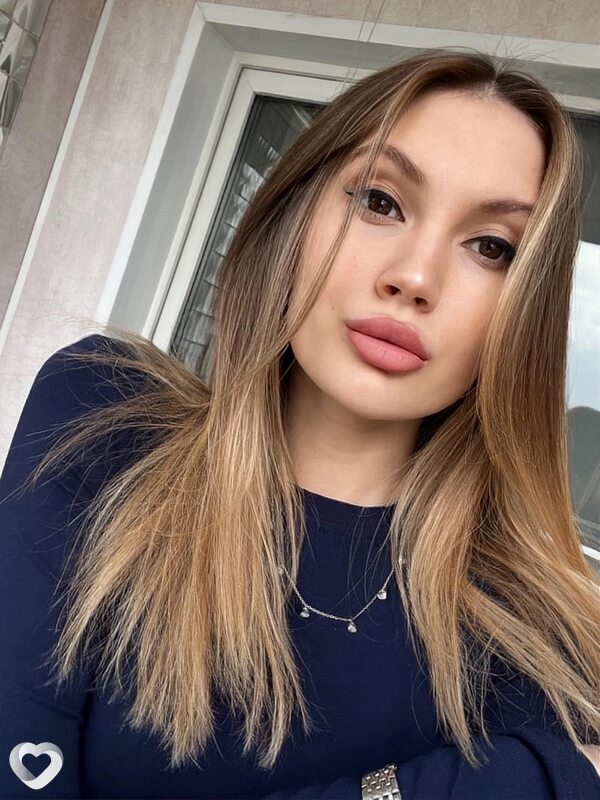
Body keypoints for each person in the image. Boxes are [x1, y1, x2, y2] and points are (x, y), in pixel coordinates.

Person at [1, 47, 599, 800]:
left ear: (524, 315)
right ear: (294, 214)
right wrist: (513, 780)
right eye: (380, 201)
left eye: (491, 248)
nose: (414, 278)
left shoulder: (534, 642)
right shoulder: (103, 417)